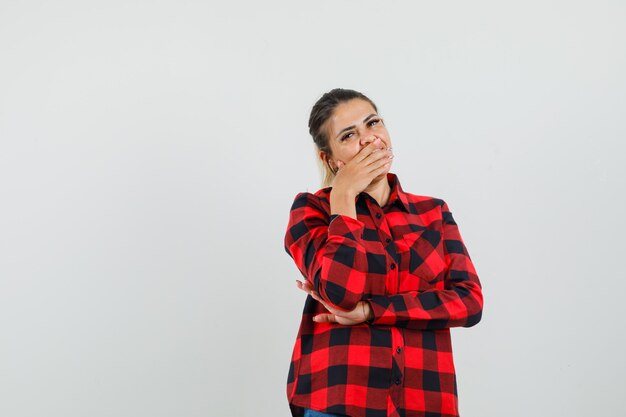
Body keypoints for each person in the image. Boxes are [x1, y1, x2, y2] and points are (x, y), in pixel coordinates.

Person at [284, 88, 483, 417]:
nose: (367, 139)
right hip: (341, 402)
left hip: (426, 402)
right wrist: (344, 195)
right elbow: (340, 293)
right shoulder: (311, 210)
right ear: (330, 159)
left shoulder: (433, 212)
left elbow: (470, 302)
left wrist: (370, 311)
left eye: (373, 123)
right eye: (349, 135)